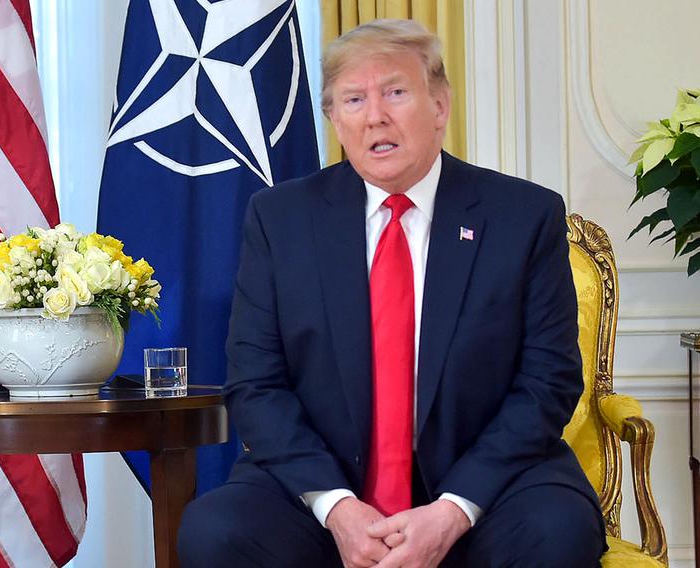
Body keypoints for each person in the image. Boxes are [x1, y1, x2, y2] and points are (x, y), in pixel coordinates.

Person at [178, 19, 606, 568]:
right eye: (353, 99)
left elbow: (548, 381)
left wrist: (453, 509)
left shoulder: (522, 216)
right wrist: (337, 508)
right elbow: (257, 384)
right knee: (216, 531)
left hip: (487, 487)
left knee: (556, 532)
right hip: (329, 489)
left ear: (440, 106)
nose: (375, 115)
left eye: (396, 93)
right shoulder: (281, 219)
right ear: (334, 120)